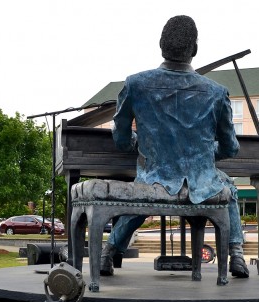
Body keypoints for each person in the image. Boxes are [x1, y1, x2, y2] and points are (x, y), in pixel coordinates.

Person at [100, 15, 249, 279]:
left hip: (153, 176)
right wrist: (203, 156)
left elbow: (121, 139)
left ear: (160, 45)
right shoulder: (217, 92)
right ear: (194, 49)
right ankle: (236, 253)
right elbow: (231, 148)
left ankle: (108, 252)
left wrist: (136, 145)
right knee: (230, 188)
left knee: (141, 196)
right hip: (200, 180)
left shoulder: (135, 83)